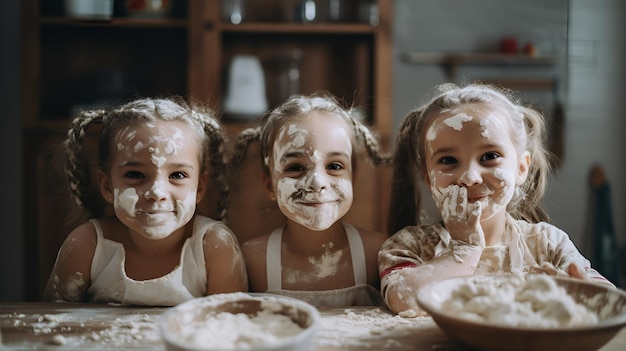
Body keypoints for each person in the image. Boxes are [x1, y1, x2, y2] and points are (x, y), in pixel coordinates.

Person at [379, 83, 614, 316]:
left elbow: (609, 303)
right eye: (449, 160)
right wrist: (462, 249)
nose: (470, 177)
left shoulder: (547, 244)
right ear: (427, 176)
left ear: (521, 168)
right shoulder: (410, 245)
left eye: (489, 156)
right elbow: (403, 298)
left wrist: (579, 293)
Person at [44, 97, 248, 306]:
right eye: (135, 174)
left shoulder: (214, 247)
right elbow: (55, 323)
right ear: (107, 186)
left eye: (177, 175)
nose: (156, 192)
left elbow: (228, 327)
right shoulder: (88, 245)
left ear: (200, 187)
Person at [236, 93, 390, 306]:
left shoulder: (378, 253)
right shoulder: (250, 259)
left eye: (334, 166)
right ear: (270, 185)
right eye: (296, 168)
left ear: (352, 177)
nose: (317, 182)